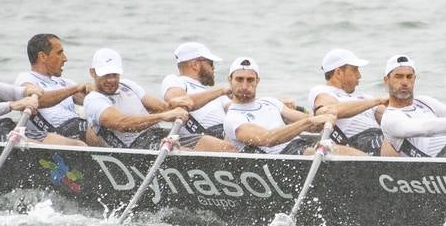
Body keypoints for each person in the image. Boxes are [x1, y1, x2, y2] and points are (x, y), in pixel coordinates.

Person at [82, 48, 234, 151]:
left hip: (158, 136)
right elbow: (121, 123)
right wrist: (162, 116)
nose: (111, 80)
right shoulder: (94, 100)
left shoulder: (128, 86)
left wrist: (173, 106)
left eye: (114, 74)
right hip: (135, 149)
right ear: (93, 72)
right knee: (186, 153)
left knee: (220, 147)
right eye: (106, 75)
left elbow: (163, 108)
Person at [222, 57, 361, 156]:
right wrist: (308, 121)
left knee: (353, 154)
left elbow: (313, 126)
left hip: (300, 147)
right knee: (333, 154)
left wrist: (324, 117)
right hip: (280, 159)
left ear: (257, 81)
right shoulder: (232, 118)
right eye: (239, 79)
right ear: (230, 80)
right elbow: (268, 138)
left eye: (250, 80)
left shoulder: (270, 102)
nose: (245, 86)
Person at [13, 33, 103, 146]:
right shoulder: (26, 78)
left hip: (76, 127)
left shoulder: (64, 83)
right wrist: (75, 88)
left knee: (105, 122)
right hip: (52, 134)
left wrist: (99, 90)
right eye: (59, 53)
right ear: (43, 57)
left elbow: (93, 101)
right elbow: (37, 101)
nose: (65, 58)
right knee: (90, 129)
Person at [307, 48, 397, 156]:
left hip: (379, 136)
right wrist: (377, 100)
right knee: (397, 143)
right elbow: (330, 110)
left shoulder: (363, 97)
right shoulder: (321, 91)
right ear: (339, 72)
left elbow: (391, 116)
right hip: (356, 142)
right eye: (355, 70)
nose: (359, 76)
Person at [159, 41, 234, 148]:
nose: (213, 68)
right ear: (195, 65)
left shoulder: (214, 94)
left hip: (221, 135)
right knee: (229, 148)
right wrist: (221, 91)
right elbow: (179, 102)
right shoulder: (175, 80)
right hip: (196, 136)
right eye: (210, 63)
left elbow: (236, 110)